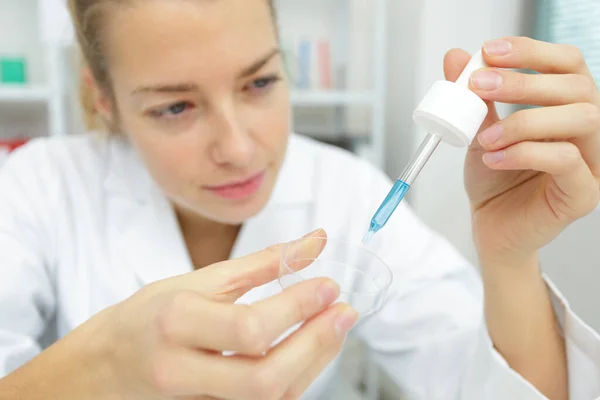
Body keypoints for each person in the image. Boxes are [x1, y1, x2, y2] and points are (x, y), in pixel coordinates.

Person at [0, 0, 599, 399]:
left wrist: (509, 259)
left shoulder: (344, 191)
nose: (237, 149)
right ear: (102, 98)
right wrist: (102, 362)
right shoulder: (36, 187)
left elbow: (494, 389)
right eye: (175, 107)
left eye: (259, 82)